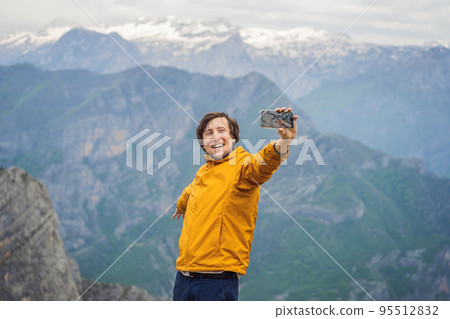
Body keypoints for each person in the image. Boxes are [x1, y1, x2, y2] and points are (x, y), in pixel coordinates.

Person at [171, 107, 298, 301]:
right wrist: (181, 206)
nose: (215, 137)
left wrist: (284, 142)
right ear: (203, 144)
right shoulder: (204, 171)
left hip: (216, 283)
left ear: (233, 138)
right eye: (208, 133)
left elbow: (262, 165)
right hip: (183, 280)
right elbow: (189, 192)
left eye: (222, 131)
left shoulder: (242, 166)